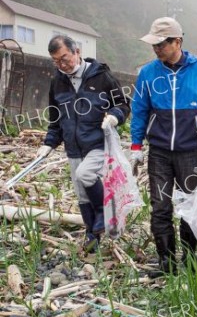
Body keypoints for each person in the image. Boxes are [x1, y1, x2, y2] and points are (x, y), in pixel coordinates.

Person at [130, 17, 197, 277]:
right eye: (154, 45)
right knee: (160, 205)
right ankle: (166, 261)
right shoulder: (148, 73)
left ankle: (190, 258)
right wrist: (136, 146)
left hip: (190, 151)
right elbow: (139, 110)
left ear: (178, 42)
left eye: (161, 44)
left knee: (189, 205)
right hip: (160, 153)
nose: (157, 49)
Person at [37, 35, 130, 253]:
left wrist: (115, 116)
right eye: (56, 61)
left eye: (65, 58)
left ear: (76, 51)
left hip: (98, 142)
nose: (62, 65)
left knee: (85, 175)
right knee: (81, 194)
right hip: (73, 145)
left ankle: (104, 213)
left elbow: (123, 104)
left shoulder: (101, 77)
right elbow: (56, 119)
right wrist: (48, 143)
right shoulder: (57, 82)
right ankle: (93, 235)